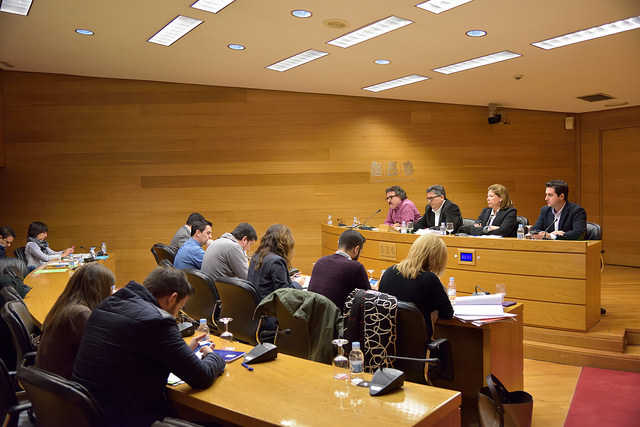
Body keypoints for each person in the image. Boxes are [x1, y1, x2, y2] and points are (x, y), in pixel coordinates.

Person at [73, 267, 226, 427]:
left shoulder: (108, 303)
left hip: (87, 414)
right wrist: (213, 355)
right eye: (180, 308)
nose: (177, 315)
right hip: (125, 418)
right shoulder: (158, 321)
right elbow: (202, 377)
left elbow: (135, 349)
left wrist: (181, 348)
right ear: (172, 298)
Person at [36, 263, 115, 379]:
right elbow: (101, 353)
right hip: (64, 388)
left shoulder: (67, 304)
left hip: (49, 382)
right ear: (99, 288)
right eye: (111, 288)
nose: (112, 293)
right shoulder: (79, 314)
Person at [379, 234, 453, 341]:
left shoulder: (389, 272)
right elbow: (448, 314)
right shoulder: (429, 279)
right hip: (417, 344)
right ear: (436, 259)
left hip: (388, 342)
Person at [308, 229, 370, 311]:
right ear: (356, 249)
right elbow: (369, 297)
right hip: (337, 319)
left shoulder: (320, 261)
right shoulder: (355, 267)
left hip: (313, 316)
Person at [247, 224, 303, 300]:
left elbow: (266, 282)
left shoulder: (257, 255)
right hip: (268, 307)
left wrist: (288, 279)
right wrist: (298, 284)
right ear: (285, 243)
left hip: (256, 304)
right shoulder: (276, 261)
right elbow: (285, 295)